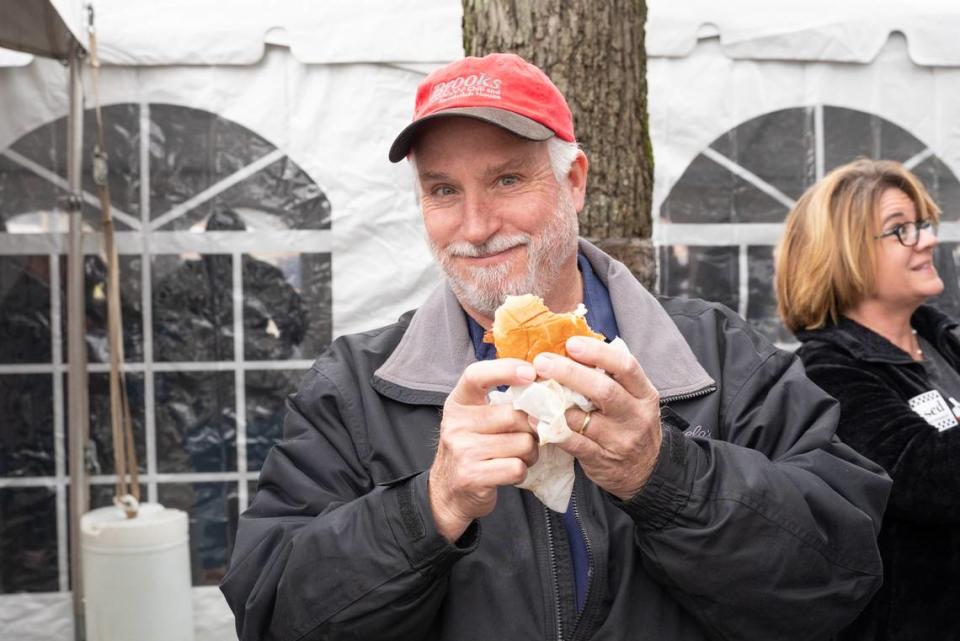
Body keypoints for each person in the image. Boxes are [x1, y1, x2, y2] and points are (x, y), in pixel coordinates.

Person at [221, 53, 890, 641]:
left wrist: (665, 473)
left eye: (508, 179)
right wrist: (433, 505)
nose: (477, 226)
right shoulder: (354, 390)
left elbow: (839, 576)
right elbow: (272, 613)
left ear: (573, 182)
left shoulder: (716, 356)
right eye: (443, 191)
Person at [775, 158, 960, 641]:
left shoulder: (945, 344)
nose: (927, 239)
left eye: (922, 223)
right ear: (844, 253)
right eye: (900, 230)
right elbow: (926, 480)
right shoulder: (828, 373)